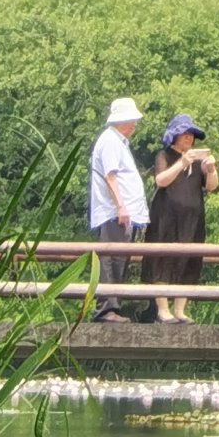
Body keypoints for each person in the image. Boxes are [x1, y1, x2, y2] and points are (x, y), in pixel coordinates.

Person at [144, 115, 217, 320]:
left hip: (192, 219)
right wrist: (181, 163)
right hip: (166, 217)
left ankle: (180, 310)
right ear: (174, 136)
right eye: (184, 135)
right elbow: (161, 180)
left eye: (191, 135)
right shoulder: (164, 155)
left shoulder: (197, 160)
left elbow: (211, 186)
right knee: (162, 260)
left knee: (189, 261)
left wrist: (211, 169)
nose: (188, 139)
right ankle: (163, 310)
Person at [87, 96, 149, 319]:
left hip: (121, 214)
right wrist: (121, 206)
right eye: (131, 119)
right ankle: (106, 308)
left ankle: (113, 307)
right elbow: (110, 177)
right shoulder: (110, 141)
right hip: (115, 213)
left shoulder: (118, 142)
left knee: (120, 258)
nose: (134, 124)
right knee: (112, 258)